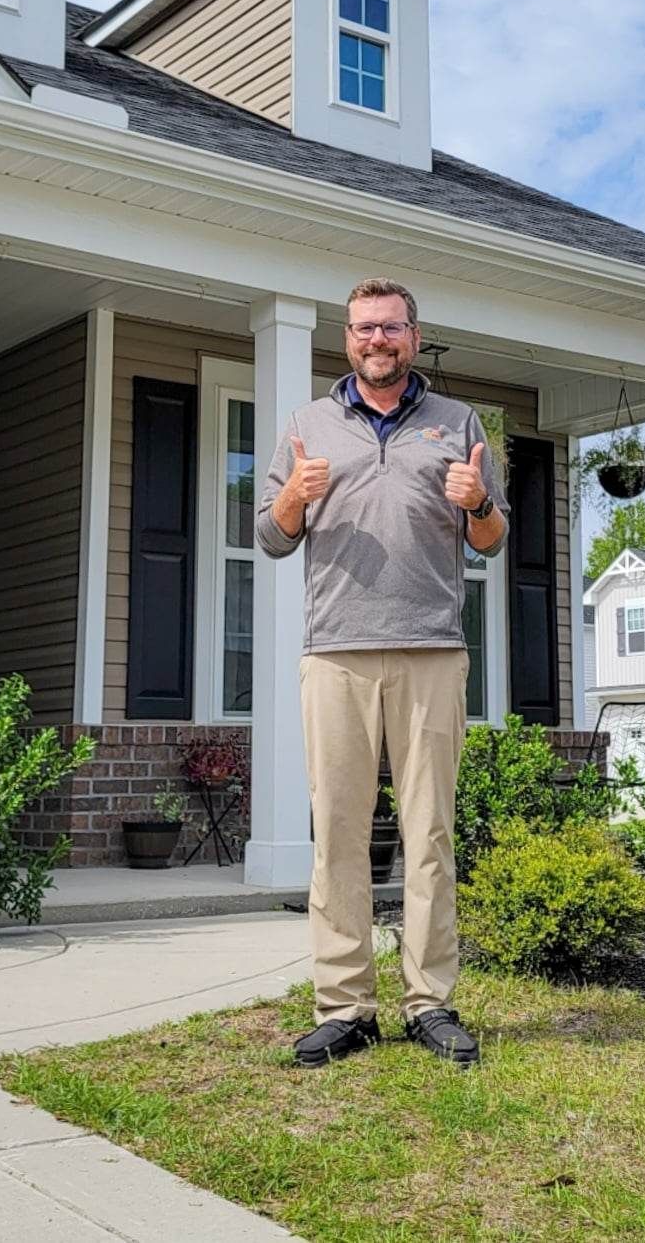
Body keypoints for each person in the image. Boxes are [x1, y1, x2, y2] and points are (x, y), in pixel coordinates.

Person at [256, 277, 509, 1069]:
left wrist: (475, 504)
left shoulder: (458, 423)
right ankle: (346, 1007)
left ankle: (429, 1002)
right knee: (335, 835)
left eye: (391, 327)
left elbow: (495, 538)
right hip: (334, 653)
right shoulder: (306, 424)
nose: (378, 340)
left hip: (432, 651)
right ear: (347, 338)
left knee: (427, 833)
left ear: (413, 334)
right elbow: (269, 536)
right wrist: (295, 495)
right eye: (365, 328)